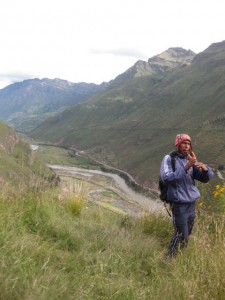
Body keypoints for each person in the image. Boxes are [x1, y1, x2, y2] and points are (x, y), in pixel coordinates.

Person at [160, 133, 214, 257]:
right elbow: (166, 177)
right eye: (184, 143)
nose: (187, 146)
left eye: (189, 143)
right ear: (178, 145)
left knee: (187, 234)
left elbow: (203, 178)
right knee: (181, 234)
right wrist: (185, 168)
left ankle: (178, 258)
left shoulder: (189, 159)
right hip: (179, 204)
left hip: (191, 203)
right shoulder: (169, 159)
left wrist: (206, 170)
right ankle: (168, 260)